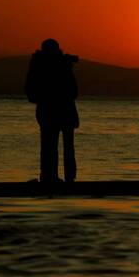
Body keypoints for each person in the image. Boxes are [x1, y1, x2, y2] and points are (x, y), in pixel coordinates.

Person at [25, 39, 79, 183]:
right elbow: (73, 91)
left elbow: (30, 88)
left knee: (49, 146)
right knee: (62, 146)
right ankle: (64, 178)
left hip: (51, 111)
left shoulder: (38, 65)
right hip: (59, 110)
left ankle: (51, 177)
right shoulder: (50, 65)